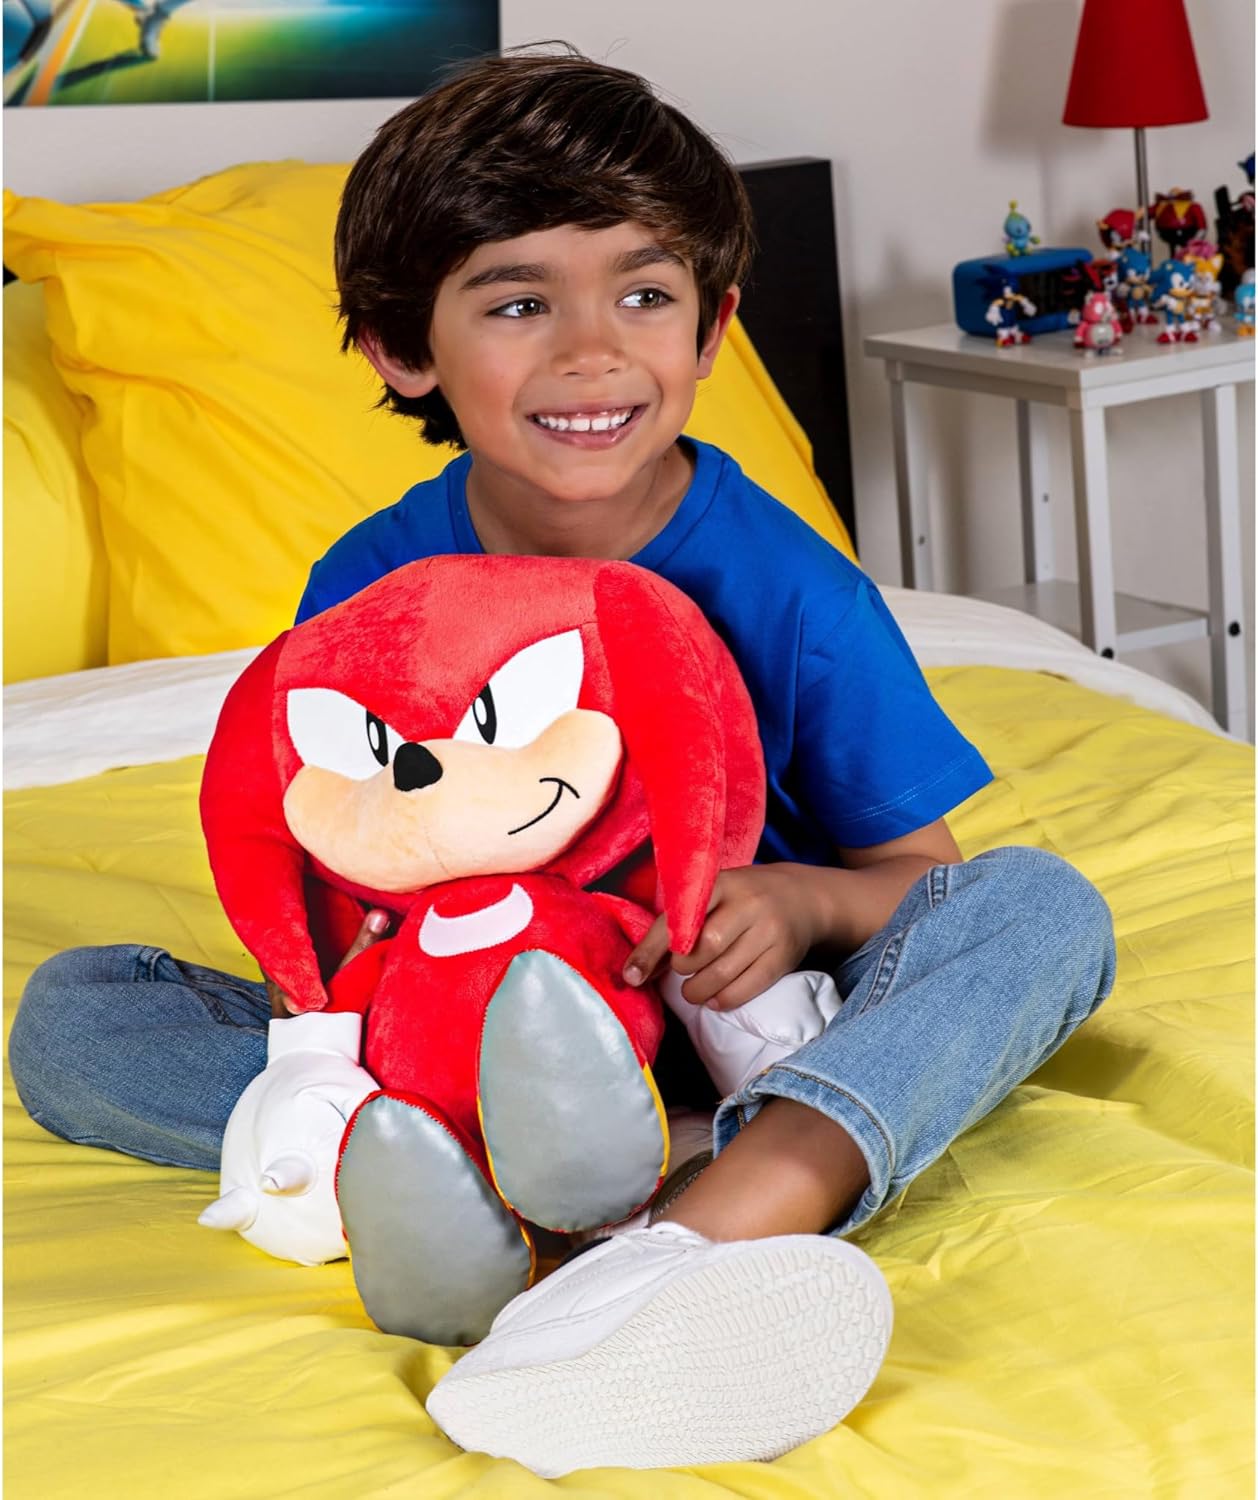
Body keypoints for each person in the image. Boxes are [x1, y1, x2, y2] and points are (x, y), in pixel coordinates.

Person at [9, 46, 1116, 1478]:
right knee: (74, 1013)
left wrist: (792, 905)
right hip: (460, 1050)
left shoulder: (792, 588)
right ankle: (465, 1182)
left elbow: (920, 879)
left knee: (1043, 914)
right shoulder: (368, 587)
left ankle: (687, 1233)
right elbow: (348, 860)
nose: (592, 351)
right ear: (403, 349)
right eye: (519, 302)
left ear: (711, 332)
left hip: (737, 1042)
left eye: (641, 295)